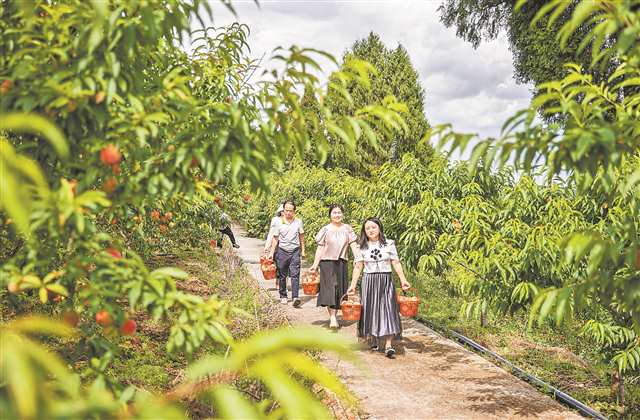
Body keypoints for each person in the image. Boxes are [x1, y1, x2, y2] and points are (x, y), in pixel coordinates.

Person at [347, 217, 410, 359]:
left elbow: (396, 262)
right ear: (364, 231)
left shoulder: (389, 244)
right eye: (367, 228)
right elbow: (358, 267)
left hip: (385, 280)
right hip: (369, 281)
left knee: (388, 310)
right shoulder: (361, 246)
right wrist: (352, 285)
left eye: (373, 227)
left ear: (379, 228)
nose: (370, 230)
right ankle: (373, 340)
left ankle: (388, 344)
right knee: (370, 310)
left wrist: (403, 279)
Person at [309, 204, 358, 329]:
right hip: (326, 262)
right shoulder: (325, 229)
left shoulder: (347, 229)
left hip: (342, 262)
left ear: (343, 214)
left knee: (339, 290)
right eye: (334, 212)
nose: (337, 215)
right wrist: (315, 265)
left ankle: (334, 315)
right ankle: (332, 317)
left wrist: (358, 258)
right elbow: (320, 248)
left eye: (339, 212)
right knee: (330, 288)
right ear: (330, 215)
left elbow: (353, 244)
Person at [267, 201, 305, 307]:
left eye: (291, 211)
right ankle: (283, 296)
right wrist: (271, 252)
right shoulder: (278, 222)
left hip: (295, 250)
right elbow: (275, 238)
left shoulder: (298, 222)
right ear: (283, 211)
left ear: (294, 211)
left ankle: (295, 297)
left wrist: (303, 250)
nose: (289, 213)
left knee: (295, 274)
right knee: (282, 275)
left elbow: (301, 236)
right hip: (282, 251)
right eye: (287, 210)